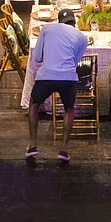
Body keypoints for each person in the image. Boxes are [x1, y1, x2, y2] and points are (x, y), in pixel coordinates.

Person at [27, 8, 88, 163]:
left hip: (46, 76)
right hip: (68, 78)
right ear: (74, 22)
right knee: (69, 109)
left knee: (34, 104)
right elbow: (75, 61)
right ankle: (64, 150)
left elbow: (37, 58)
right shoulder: (82, 38)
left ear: (58, 21)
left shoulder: (46, 29)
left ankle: (33, 145)